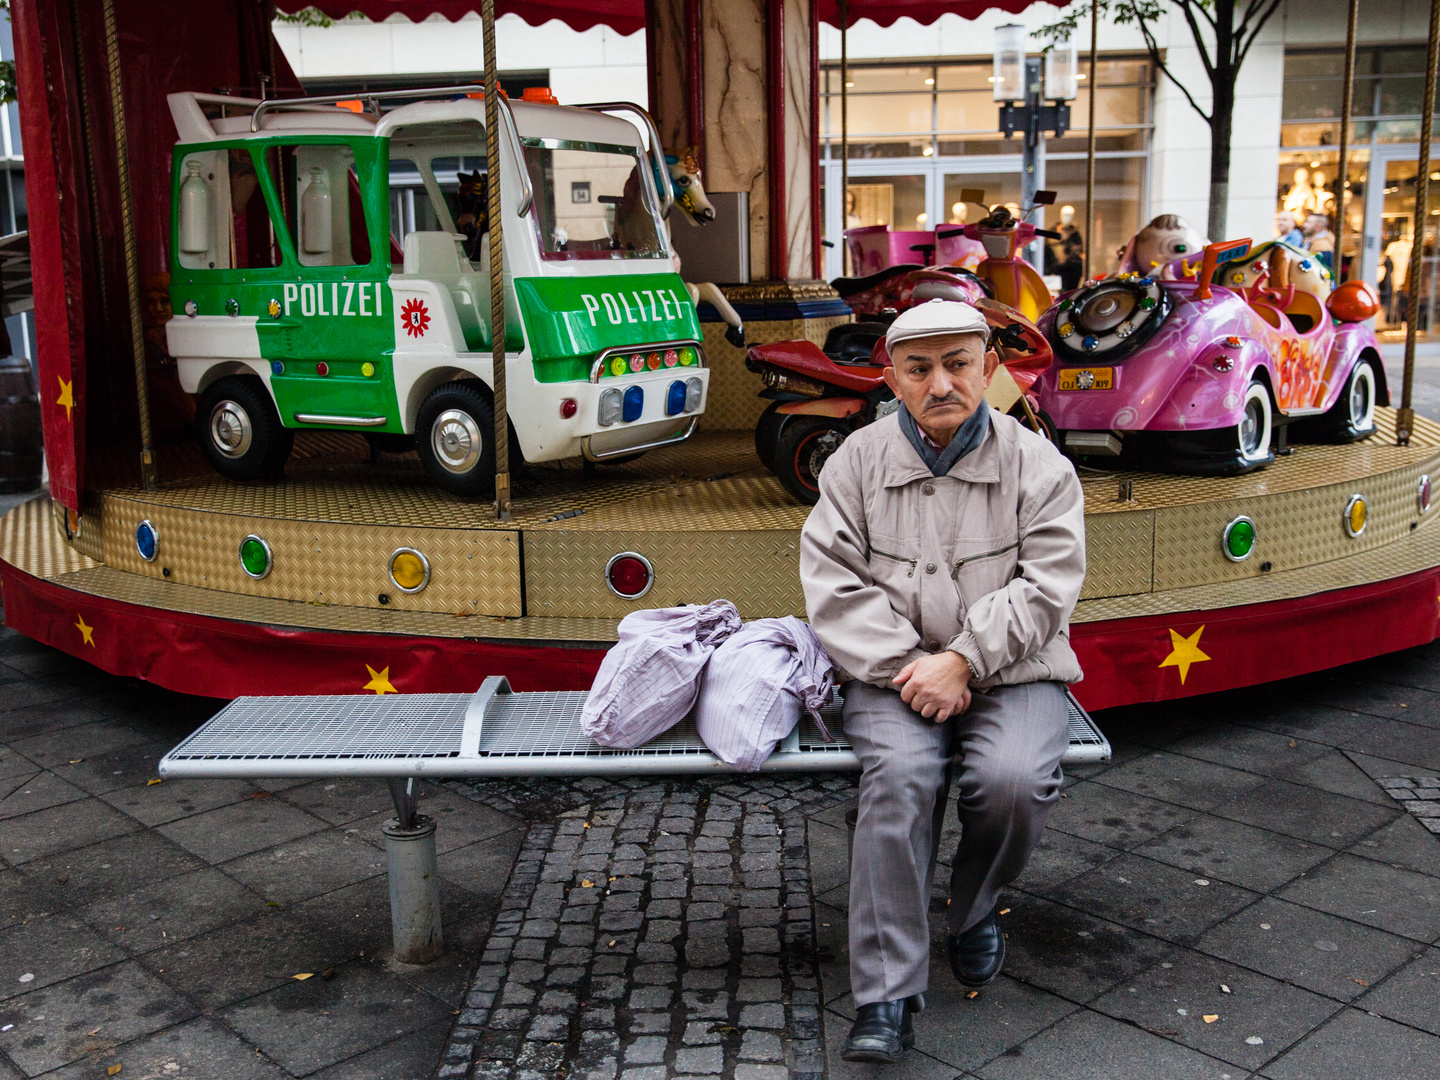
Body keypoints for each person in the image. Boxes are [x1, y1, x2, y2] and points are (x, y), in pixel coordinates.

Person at [800, 299, 1086, 1065]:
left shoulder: (1040, 467)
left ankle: (974, 907)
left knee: (1015, 779)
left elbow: (1048, 587)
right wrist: (912, 666)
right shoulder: (853, 462)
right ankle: (887, 993)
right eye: (919, 368)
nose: (941, 383)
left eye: (959, 364)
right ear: (891, 378)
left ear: (989, 369)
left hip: (1014, 667)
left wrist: (962, 659)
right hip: (890, 671)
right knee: (900, 778)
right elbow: (832, 586)